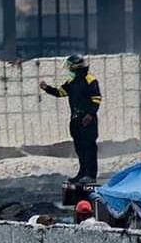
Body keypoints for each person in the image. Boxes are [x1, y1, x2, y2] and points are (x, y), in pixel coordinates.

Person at [39, 54, 103, 184]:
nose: (69, 70)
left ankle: (91, 175)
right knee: (79, 148)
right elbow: (60, 92)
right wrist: (47, 88)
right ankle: (82, 173)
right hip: (75, 120)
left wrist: (90, 114)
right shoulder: (71, 82)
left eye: (70, 67)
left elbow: (96, 99)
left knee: (89, 147)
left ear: (75, 67)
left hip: (88, 121)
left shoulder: (90, 80)